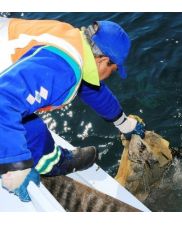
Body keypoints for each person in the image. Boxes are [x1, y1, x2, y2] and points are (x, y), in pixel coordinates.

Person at [0, 17, 145, 202]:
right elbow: (3, 103)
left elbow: (90, 87)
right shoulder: (62, 69)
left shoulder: (70, 40)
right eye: (114, 70)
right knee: (32, 130)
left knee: (30, 126)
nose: (110, 76)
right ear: (104, 60)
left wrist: (124, 123)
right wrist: (15, 166)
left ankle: (45, 159)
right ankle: (48, 164)